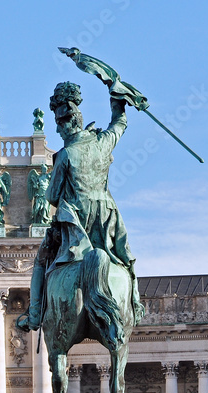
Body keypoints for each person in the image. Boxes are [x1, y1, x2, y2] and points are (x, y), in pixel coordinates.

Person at [39, 81, 143, 323]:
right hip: (107, 217)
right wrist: (117, 100)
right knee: (125, 257)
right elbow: (120, 123)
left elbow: (52, 196)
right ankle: (135, 301)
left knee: (42, 259)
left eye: (59, 124)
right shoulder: (103, 143)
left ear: (68, 123)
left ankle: (34, 314)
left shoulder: (66, 154)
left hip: (78, 221)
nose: (59, 131)